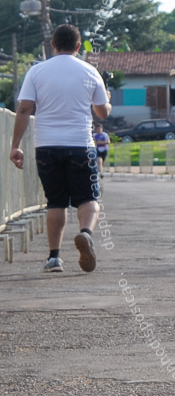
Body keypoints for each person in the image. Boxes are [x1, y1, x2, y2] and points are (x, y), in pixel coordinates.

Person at [9, 24, 111, 273]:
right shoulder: (90, 71)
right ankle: (86, 233)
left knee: (55, 202)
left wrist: (15, 146)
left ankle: (54, 258)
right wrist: (105, 99)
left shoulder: (37, 71)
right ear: (78, 46)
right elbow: (102, 113)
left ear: (52, 45)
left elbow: (24, 109)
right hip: (80, 145)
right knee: (89, 198)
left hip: (47, 145)